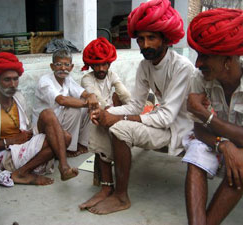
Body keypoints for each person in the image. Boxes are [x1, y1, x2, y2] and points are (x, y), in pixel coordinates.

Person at [86, 0, 195, 214]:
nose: (145, 45)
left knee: (119, 128)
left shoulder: (182, 67)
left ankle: (121, 196)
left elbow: (165, 118)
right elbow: (135, 105)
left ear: (165, 38)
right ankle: (107, 186)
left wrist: (117, 119)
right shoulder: (145, 66)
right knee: (101, 119)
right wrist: (105, 113)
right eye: (141, 39)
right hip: (160, 121)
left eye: (151, 38)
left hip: (179, 130)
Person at [182, 8, 243, 225]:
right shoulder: (200, 78)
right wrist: (223, 145)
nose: (197, 63)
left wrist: (205, 114)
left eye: (205, 56)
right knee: (196, 153)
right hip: (218, 140)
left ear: (228, 59)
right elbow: (198, 129)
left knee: (242, 160)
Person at [0, 52, 78, 186]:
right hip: (4, 153)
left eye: (15, 79)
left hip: (21, 144)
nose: (13, 84)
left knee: (53, 120)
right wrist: (9, 141)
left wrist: (26, 136)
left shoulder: (19, 97)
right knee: (61, 139)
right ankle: (22, 173)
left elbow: (25, 128)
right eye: (7, 80)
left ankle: (63, 166)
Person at [79, 37, 131, 209]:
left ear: (109, 64)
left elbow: (122, 92)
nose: (101, 69)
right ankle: (106, 187)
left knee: (119, 127)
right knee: (100, 133)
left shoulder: (111, 75)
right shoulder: (87, 79)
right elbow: (97, 100)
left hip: (112, 111)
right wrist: (111, 114)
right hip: (97, 114)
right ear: (91, 65)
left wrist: (135, 107)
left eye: (104, 64)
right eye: (97, 65)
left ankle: (111, 186)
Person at [32, 48, 99, 157]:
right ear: (52, 66)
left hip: (61, 119)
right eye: (58, 64)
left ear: (71, 67)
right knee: (74, 109)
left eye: (67, 65)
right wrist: (88, 103)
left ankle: (82, 143)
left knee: (87, 108)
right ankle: (67, 148)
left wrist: (91, 96)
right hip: (45, 125)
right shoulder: (45, 81)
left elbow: (82, 93)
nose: (63, 68)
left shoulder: (67, 79)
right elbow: (61, 100)